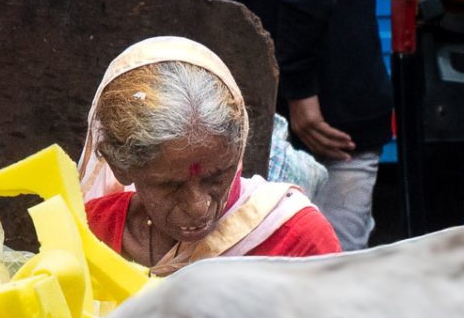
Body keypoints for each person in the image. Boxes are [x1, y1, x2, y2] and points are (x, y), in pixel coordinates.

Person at [78, 36, 341, 277]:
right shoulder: (90, 232)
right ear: (119, 167)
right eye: (170, 186)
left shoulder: (297, 239)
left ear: (237, 151)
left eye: (217, 177)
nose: (198, 206)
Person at [214, 0, 394, 252]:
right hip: (331, 96)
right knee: (334, 272)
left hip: (303, 108)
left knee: (310, 275)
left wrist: (300, 89)